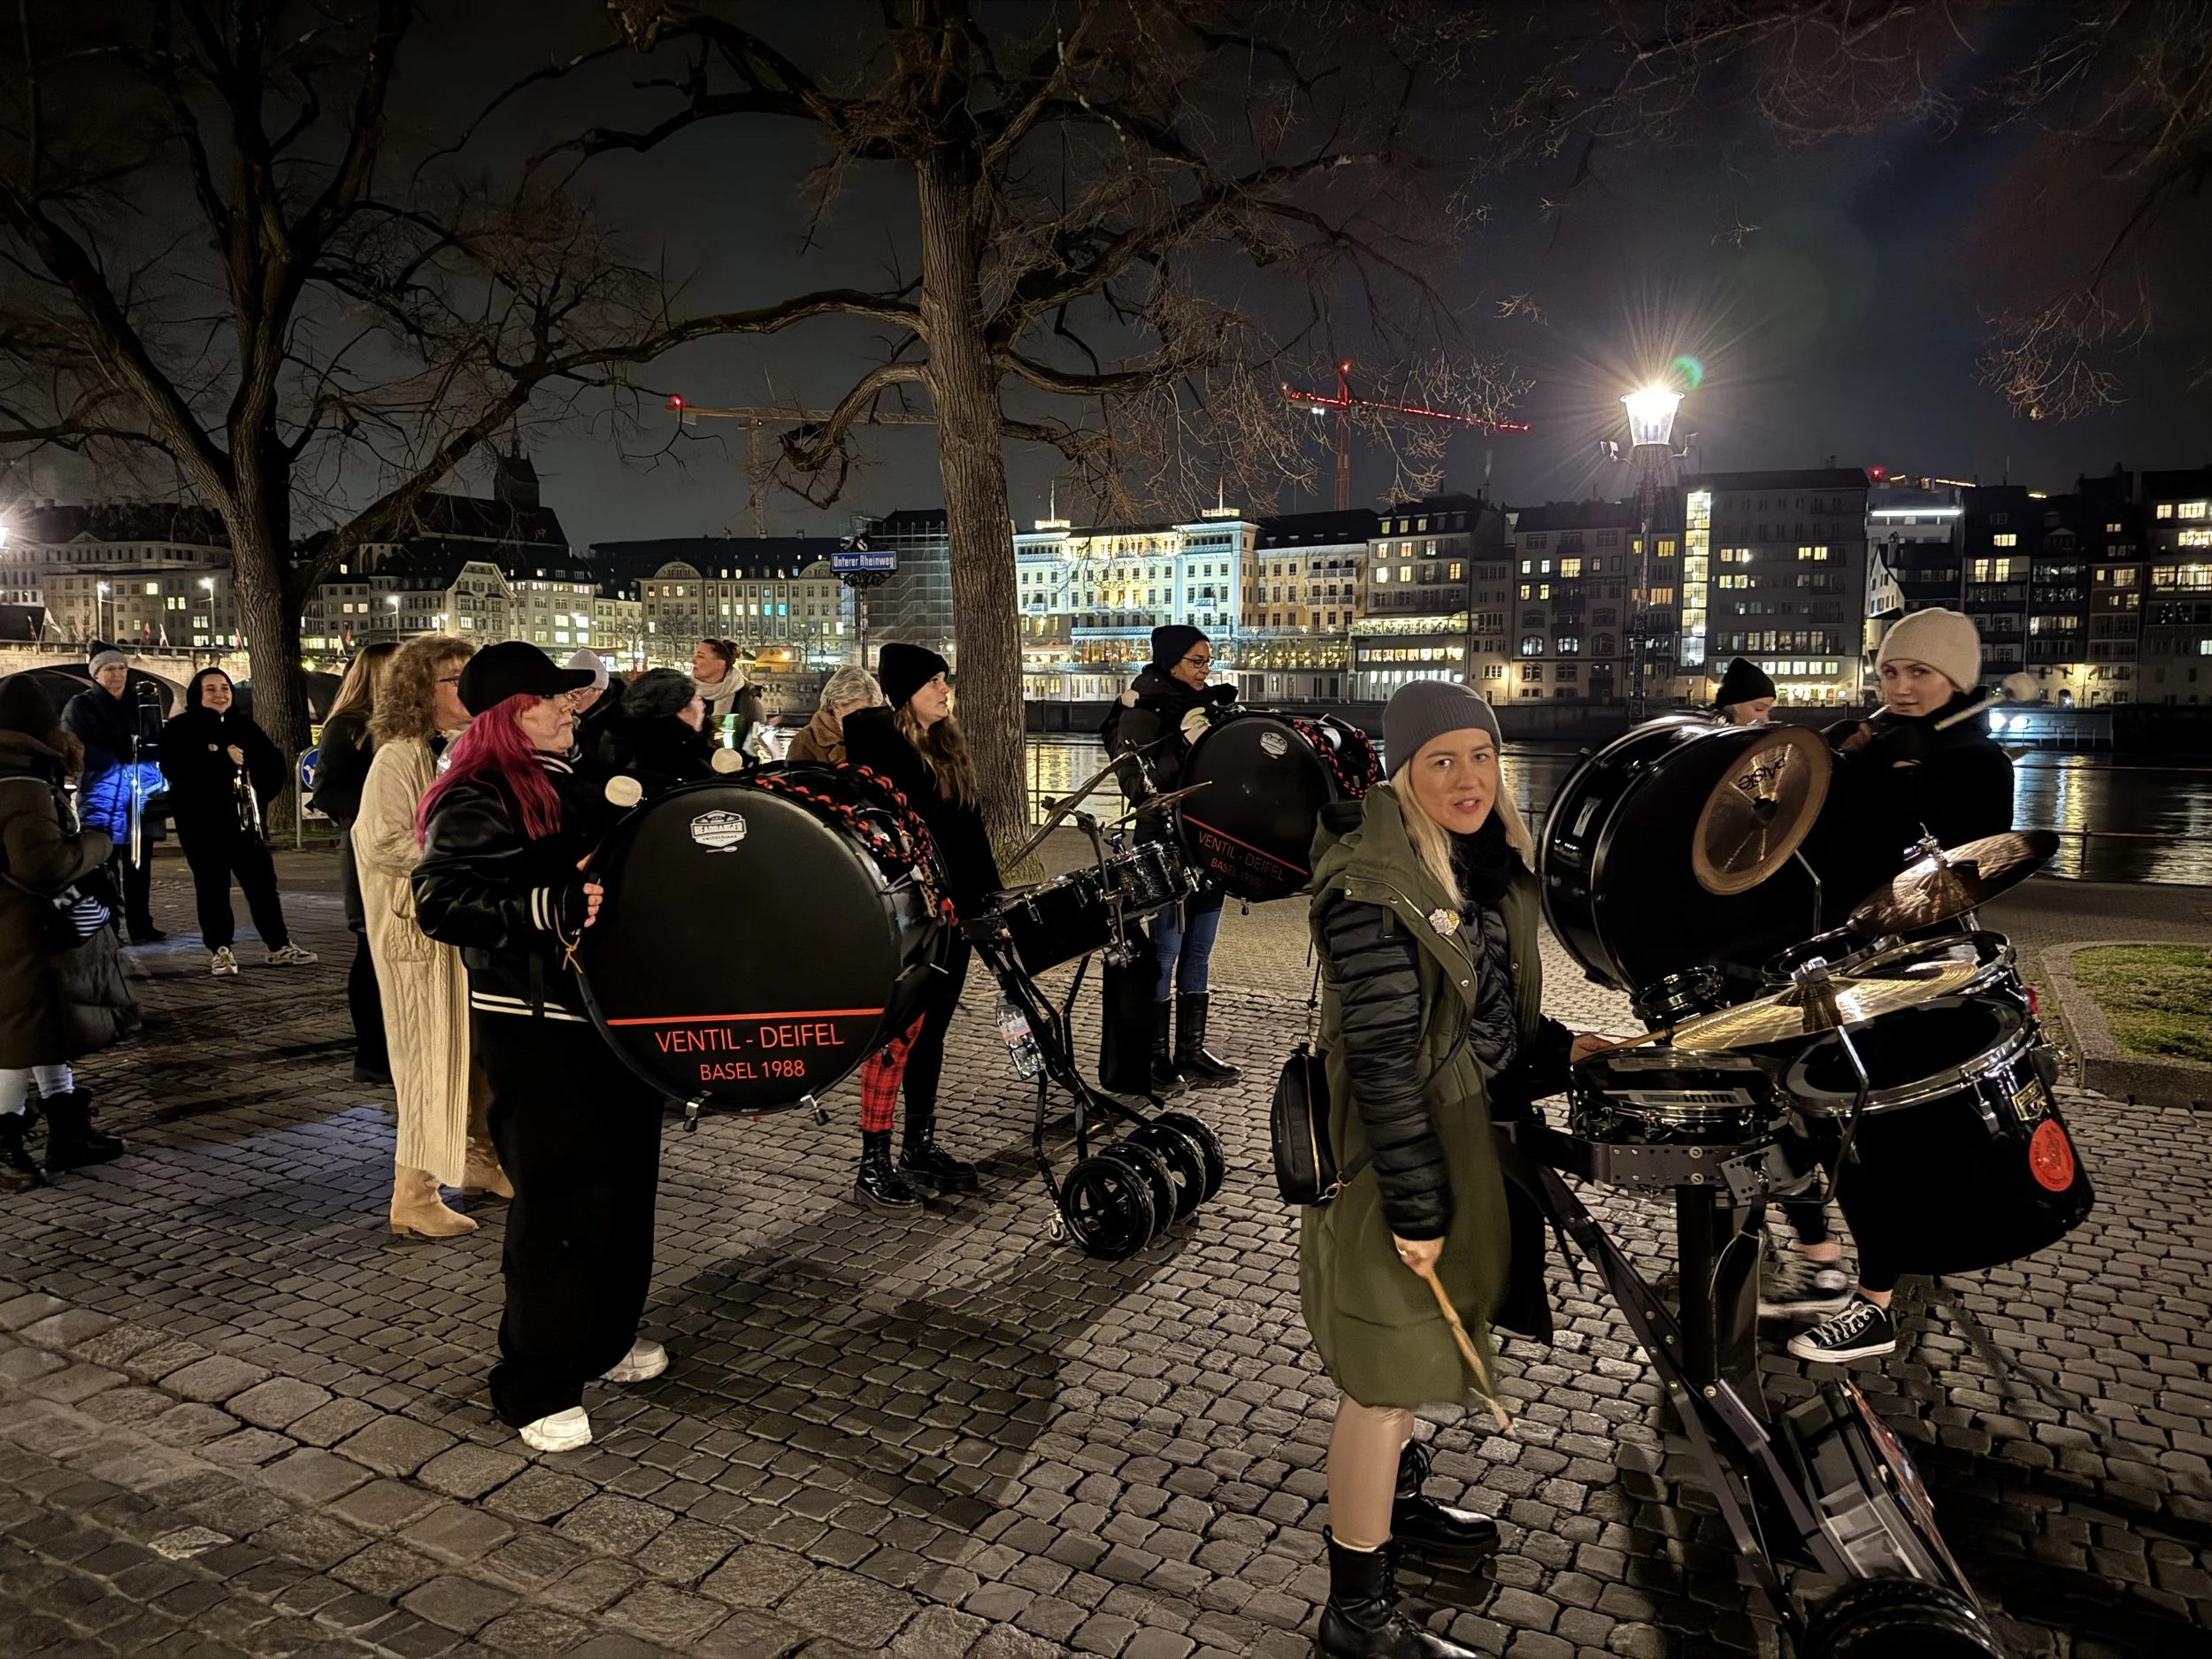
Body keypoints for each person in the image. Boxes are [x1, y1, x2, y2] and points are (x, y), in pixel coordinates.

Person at [1303, 680, 1604, 1659]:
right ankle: (1355, 1616)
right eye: (1441, 760)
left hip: (1464, 1139)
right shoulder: (1374, 887)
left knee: (1426, 1351)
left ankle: (1399, 1506)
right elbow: (1387, 1068)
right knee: (1384, 1380)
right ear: (1403, 772)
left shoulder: (1483, 870)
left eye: (1480, 755)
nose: (1468, 777)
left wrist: (1565, 1051)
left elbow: (1486, 1028)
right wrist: (1416, 1205)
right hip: (1395, 1155)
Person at [412, 641, 665, 1453]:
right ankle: (534, 1381)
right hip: (537, 1025)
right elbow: (443, 899)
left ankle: (603, 1338)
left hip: (611, 1020)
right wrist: (543, 907)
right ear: (506, 715)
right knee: (562, 1200)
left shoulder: (572, 781)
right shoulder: (478, 791)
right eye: (550, 699)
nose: (569, 706)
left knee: (626, 1189)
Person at [1782, 608, 2016, 1364]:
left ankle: (1875, 1302)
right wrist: (1834, 762)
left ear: (1957, 677)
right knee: (1792, 1105)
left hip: (1915, 969)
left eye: (1920, 671)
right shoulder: (1876, 745)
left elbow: (1974, 872)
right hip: (1838, 956)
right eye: (1890, 670)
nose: (1903, 685)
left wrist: (1904, 780)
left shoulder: (1980, 761)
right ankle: (1818, 1260)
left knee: (1880, 1132)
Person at [357, 634, 511, 1239]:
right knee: (426, 1057)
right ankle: (413, 1194)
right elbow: (379, 842)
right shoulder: (399, 755)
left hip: (450, 924)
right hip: (413, 932)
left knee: (469, 1050)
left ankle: (479, 1158)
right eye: (455, 678)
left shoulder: (458, 748)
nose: (468, 688)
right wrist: (460, 852)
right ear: (422, 690)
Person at [842, 643, 997, 1209]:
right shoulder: (884, 742)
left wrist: (987, 903)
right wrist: (899, 715)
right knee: (896, 1037)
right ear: (905, 691)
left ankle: (918, 1145)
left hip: (953, 916)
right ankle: (873, 1161)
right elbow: (867, 727)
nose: (944, 691)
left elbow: (970, 833)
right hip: (908, 918)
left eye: (945, 681)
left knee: (932, 1034)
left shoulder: (945, 746)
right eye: (933, 682)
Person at [0, 676, 127, 1190]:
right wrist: (98, 843)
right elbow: (43, 864)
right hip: (25, 931)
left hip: (20, 930)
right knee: (17, 1041)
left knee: (42, 1030)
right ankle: (7, 1145)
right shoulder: (22, 784)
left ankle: (68, 1131)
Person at [1102, 625, 1240, 1091]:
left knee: (1199, 948)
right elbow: (1139, 785)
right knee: (1166, 950)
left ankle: (1191, 1049)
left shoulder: (1208, 707)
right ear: (1171, 662)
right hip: (1163, 844)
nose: (1205, 670)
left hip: (1207, 842)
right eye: (1196, 661)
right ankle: (1155, 1057)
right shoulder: (1142, 708)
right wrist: (1187, 742)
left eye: (1208, 661)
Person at [158, 668, 317, 975]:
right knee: (212, 885)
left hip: (244, 822)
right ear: (197, 694)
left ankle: (278, 945)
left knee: (262, 884)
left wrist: (258, 795)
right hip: (201, 824)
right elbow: (176, 769)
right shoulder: (180, 729)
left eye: (225, 688)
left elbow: (273, 764)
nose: (220, 694)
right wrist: (219, 758)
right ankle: (220, 948)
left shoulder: (245, 726)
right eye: (211, 689)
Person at [312, 644, 399, 1085]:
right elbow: (327, 792)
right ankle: (371, 1052)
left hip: (402, 849)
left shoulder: (407, 725)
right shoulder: (346, 727)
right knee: (371, 950)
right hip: (367, 851)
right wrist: (376, 811)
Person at [61, 648, 165, 942]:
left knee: (139, 866)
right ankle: (108, 929)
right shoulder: (80, 706)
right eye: (110, 669)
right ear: (96, 674)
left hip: (139, 797)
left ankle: (141, 924)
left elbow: (156, 741)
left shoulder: (143, 703)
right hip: (102, 797)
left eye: (122, 668)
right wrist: (116, 755)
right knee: (103, 866)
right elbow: (77, 749)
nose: (117, 675)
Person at [603, 669, 718, 798]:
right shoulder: (682, 762)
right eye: (697, 699)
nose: (702, 706)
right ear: (682, 710)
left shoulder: (622, 744)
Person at [787, 666, 881, 764]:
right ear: (836, 707)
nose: (869, 717)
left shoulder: (878, 736)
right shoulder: (805, 741)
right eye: (861, 711)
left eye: (873, 711)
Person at [691, 639, 745, 723]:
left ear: (720, 664)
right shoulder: (684, 692)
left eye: (700, 656)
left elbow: (755, 730)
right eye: (694, 656)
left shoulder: (746, 696)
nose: (693, 661)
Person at [1713, 657, 1776, 726]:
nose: (1766, 720)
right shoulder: (1705, 732)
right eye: (1759, 709)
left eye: (1768, 711)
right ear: (1729, 710)